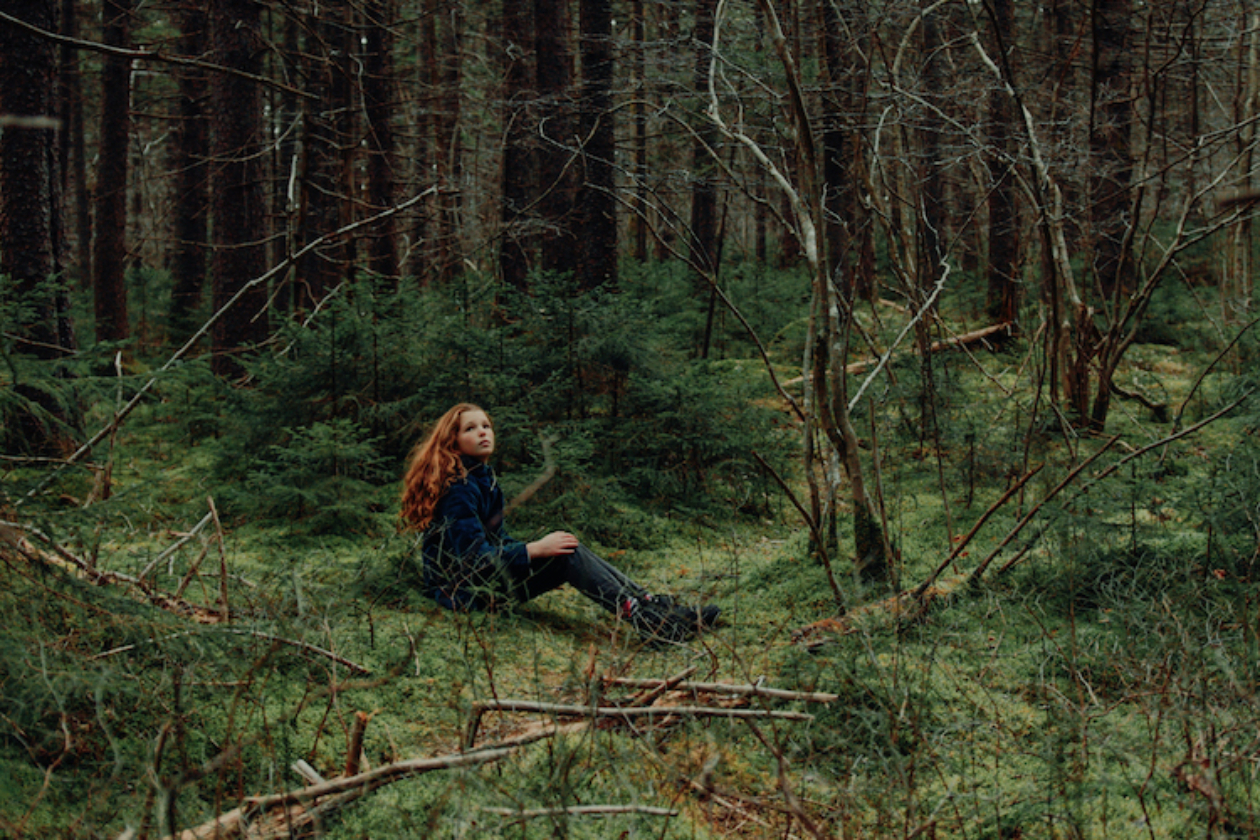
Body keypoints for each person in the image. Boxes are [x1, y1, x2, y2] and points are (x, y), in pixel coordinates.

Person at [399, 403, 719, 643]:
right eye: (470, 428)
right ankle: (647, 621)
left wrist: (534, 549)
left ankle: (653, 608)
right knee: (563, 552)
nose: (483, 431)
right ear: (452, 442)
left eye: (486, 425)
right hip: (465, 594)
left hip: (482, 583)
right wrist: (534, 549)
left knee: (566, 544)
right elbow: (473, 559)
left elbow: (496, 542)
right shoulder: (459, 490)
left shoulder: (483, 480)